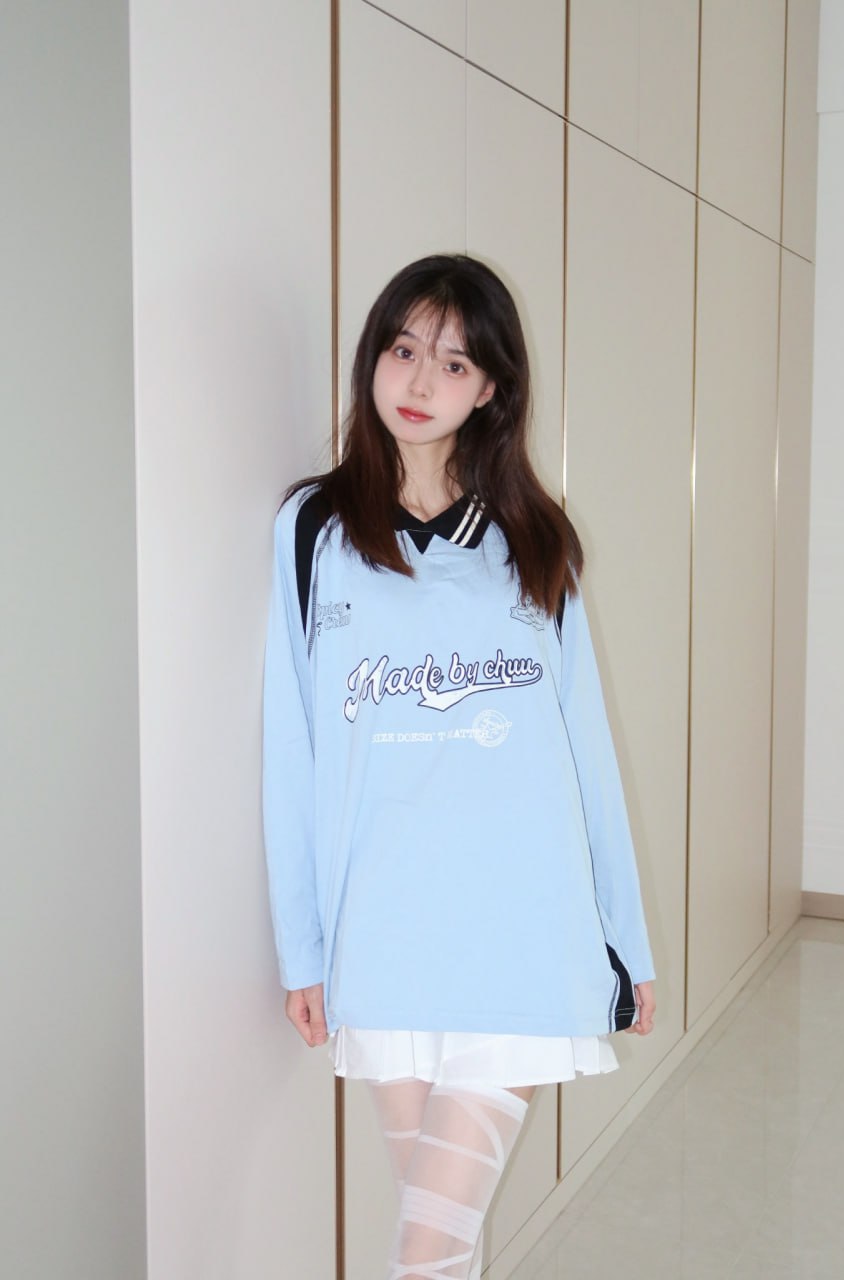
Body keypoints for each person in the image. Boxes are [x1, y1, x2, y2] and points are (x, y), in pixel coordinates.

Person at [262, 254, 656, 1278]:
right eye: (403, 350)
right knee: (444, 1247)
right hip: (383, 933)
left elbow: (583, 750)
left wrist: (624, 940)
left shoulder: (535, 541)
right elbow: (292, 748)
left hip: (519, 931)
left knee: (427, 1245)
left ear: (489, 388)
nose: (418, 381)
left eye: (452, 363)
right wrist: (303, 947)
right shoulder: (312, 530)